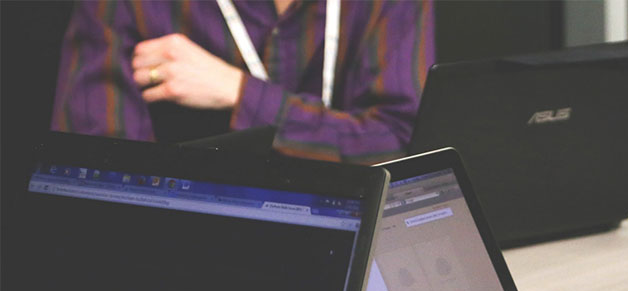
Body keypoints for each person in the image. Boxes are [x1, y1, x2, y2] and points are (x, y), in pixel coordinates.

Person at [50, 0, 434, 163]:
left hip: (357, 242)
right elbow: (97, 171)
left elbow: (403, 145)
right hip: (193, 256)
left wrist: (241, 94)